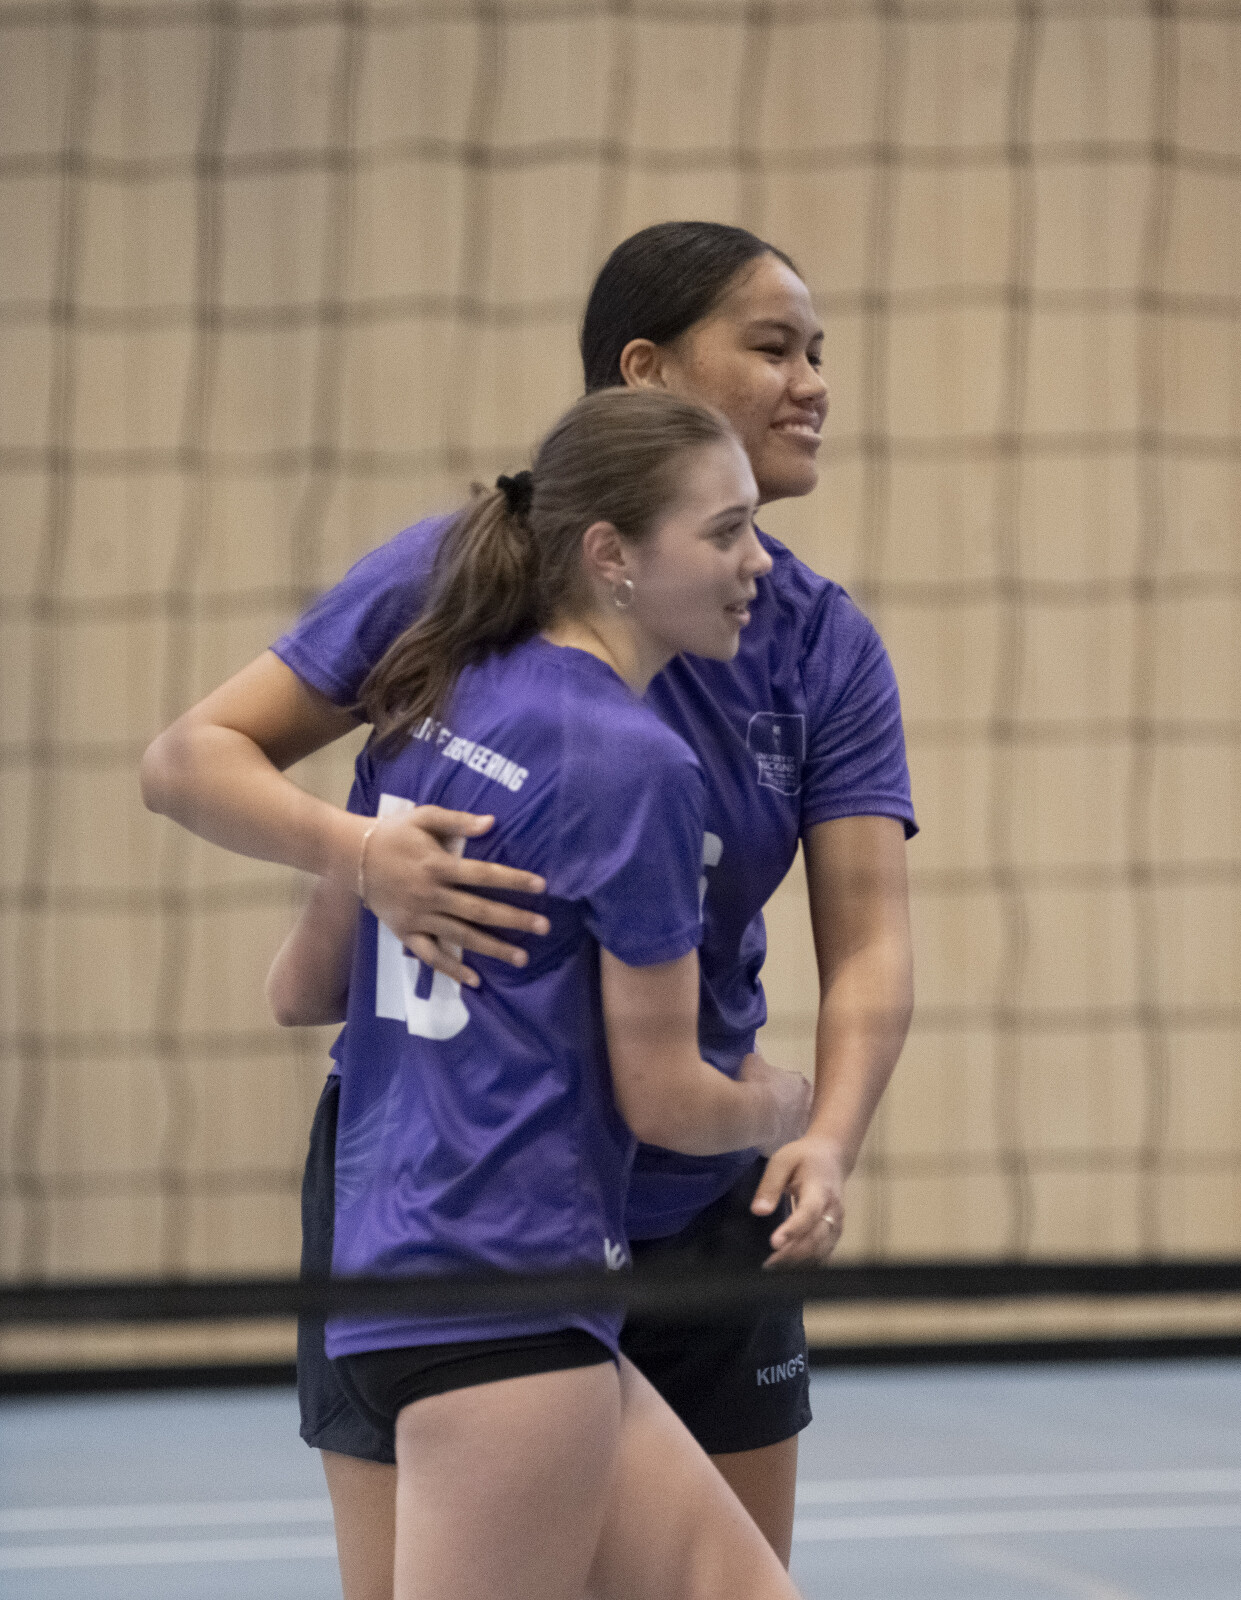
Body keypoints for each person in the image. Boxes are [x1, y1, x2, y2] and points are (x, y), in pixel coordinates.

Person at [141, 220, 917, 1592]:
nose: (811, 382)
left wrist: (827, 1139)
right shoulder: (482, 607)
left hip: (651, 1215)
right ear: (647, 371)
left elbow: (298, 987)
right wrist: (365, 853)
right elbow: (189, 758)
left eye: (817, 351)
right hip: (499, 1229)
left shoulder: (812, 643)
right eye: (772, 347)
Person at [266, 387, 810, 1600]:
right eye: (725, 532)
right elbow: (666, 1100)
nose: (758, 562)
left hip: (389, 1268)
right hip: (506, 1297)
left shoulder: (429, 696)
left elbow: (300, 987)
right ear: (613, 556)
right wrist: (782, 1105)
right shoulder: (637, 763)